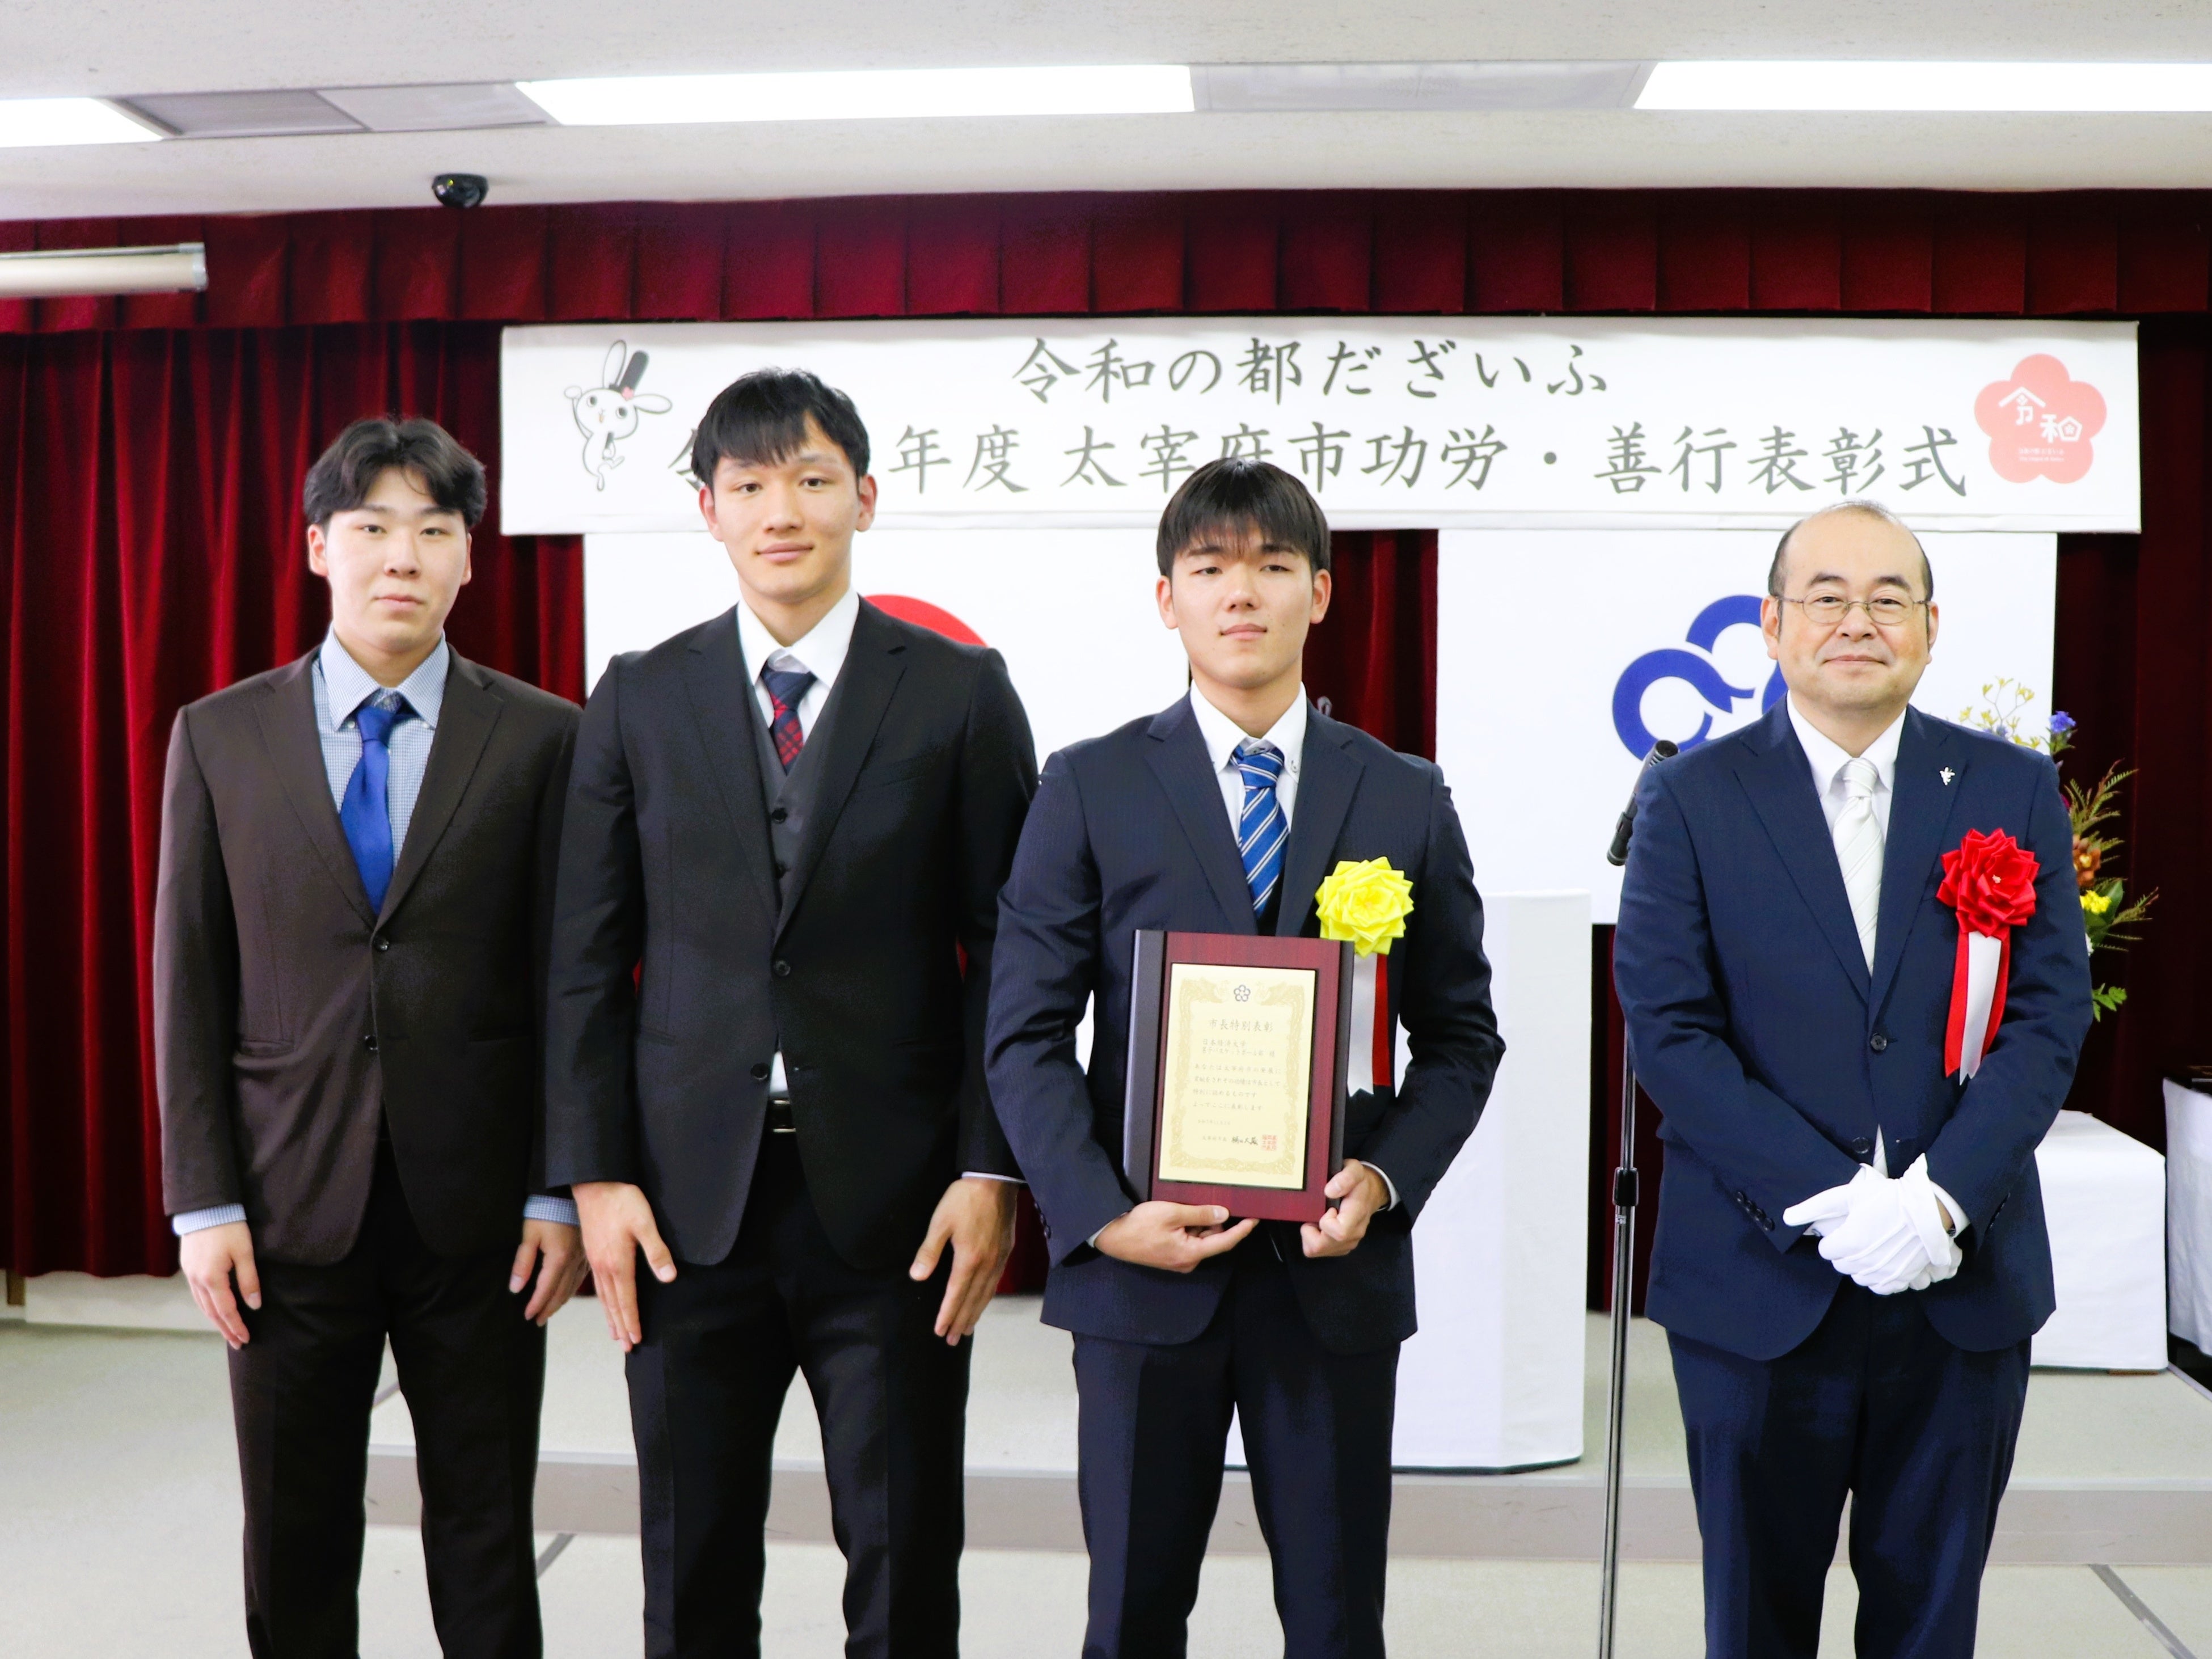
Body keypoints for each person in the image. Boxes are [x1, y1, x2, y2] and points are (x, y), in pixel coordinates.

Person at [544, 368, 1039, 1658]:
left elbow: (1012, 953)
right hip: (683, 1209)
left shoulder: (960, 692)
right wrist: (596, 1174)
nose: (783, 510)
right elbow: (585, 959)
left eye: (813, 479)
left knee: (904, 1561)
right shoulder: (638, 695)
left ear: (864, 498)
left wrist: (990, 1165)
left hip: (898, 1203)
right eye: (751, 483)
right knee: (692, 1566)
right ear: (708, 507)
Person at [985, 458, 1503, 1659]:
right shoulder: (1090, 783)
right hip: (1142, 1270)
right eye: (1210, 566)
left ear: (1320, 593)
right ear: (1167, 597)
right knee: (1131, 1615)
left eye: (1273, 565)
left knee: (1336, 1621)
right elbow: (1022, 1032)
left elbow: (1463, 1036)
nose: (1242, 592)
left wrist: (1383, 1181)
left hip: (1330, 1277)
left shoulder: (1404, 795)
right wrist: (1102, 1217)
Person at [1612, 500, 2092, 1658]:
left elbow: (2047, 1016)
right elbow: (1671, 1030)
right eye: (1825, 596)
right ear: (1773, 624)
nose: (1856, 622)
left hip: (1959, 1280)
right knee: (1754, 1622)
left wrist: (1938, 1200)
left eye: (1888, 599)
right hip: (1757, 1281)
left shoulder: (2010, 788)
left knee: (1931, 1621)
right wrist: (1833, 1199)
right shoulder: (1691, 796)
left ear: (1930, 626)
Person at [157, 416, 586, 1659]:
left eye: (433, 530)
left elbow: (570, 981)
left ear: (469, 559)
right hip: (282, 1206)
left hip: (484, 1214)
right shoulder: (220, 734)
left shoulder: (544, 736)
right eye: (372, 526)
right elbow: (189, 977)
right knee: (295, 1532)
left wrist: (557, 1184)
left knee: (486, 1527)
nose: (402, 555)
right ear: (317, 547)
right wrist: (202, 1201)